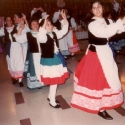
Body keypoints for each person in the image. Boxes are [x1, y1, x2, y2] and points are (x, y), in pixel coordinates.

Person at [71, 0, 125, 120]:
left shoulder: (107, 20)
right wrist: (120, 22)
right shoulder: (92, 24)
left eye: (99, 6)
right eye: (94, 8)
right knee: (99, 80)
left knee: (108, 78)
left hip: (105, 52)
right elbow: (105, 31)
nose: (97, 9)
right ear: (91, 11)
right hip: (96, 55)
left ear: (102, 7)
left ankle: (104, 104)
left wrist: (122, 23)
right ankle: (101, 109)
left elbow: (118, 30)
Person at [37, 10, 69, 108]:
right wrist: (44, 21)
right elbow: (41, 36)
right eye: (47, 25)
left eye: (50, 24)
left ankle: (50, 96)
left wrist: (64, 19)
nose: (50, 26)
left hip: (56, 58)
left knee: (54, 80)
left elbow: (64, 31)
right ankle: (52, 101)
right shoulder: (42, 36)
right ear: (42, 27)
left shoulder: (54, 33)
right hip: (49, 61)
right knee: (54, 81)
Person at [14, 18, 44, 89]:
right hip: (33, 55)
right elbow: (18, 39)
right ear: (30, 26)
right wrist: (20, 29)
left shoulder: (42, 32)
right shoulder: (28, 34)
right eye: (33, 24)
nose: (35, 25)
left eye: (36, 23)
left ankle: (41, 82)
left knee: (42, 68)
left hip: (42, 54)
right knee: (34, 69)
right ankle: (36, 84)